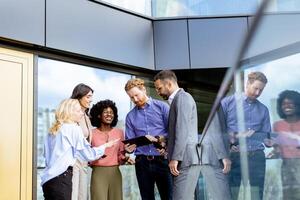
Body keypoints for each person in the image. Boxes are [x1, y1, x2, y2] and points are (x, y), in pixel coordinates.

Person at [41, 99, 118, 200]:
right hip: (62, 178)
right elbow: (89, 155)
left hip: (48, 180)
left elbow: (46, 156)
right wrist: (105, 146)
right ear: (69, 112)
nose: (82, 114)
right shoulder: (73, 128)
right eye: (78, 111)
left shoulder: (53, 131)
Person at [221, 71, 272, 200]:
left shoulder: (263, 109)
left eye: (261, 90)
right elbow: (219, 132)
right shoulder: (227, 103)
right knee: (231, 195)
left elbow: (267, 137)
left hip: (257, 158)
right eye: (256, 88)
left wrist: (271, 142)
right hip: (234, 157)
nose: (258, 93)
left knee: (257, 196)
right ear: (247, 84)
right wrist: (232, 141)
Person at [153, 70, 201, 200]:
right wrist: (166, 143)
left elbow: (182, 130)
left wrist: (175, 158)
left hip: (185, 159)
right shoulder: (177, 100)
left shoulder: (183, 98)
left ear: (168, 84)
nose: (158, 92)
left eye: (159, 88)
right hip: (184, 158)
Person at [124, 78, 172, 200]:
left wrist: (162, 142)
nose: (135, 99)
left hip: (163, 161)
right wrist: (129, 149)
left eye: (136, 95)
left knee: (169, 197)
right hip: (142, 163)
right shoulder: (130, 117)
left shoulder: (162, 107)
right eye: (131, 97)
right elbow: (130, 142)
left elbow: (173, 132)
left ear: (144, 89)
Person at [89, 99, 134, 200]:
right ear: (99, 115)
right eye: (105, 112)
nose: (109, 115)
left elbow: (121, 155)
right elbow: (88, 155)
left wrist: (126, 158)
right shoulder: (91, 133)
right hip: (98, 173)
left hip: (115, 172)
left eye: (111, 112)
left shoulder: (119, 132)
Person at [273, 90, 300, 200]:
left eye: (290, 103)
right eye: (284, 104)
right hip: (286, 165)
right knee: (289, 196)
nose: (287, 106)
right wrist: (275, 150)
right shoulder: (277, 125)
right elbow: (276, 147)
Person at [70, 83, 94, 200]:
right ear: (79, 97)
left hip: (83, 162)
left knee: (83, 195)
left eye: (91, 96)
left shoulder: (86, 116)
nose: (91, 100)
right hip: (73, 161)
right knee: (73, 195)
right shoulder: (71, 115)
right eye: (88, 96)